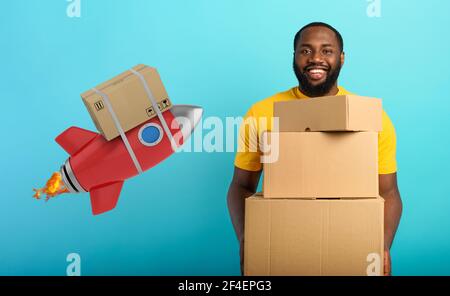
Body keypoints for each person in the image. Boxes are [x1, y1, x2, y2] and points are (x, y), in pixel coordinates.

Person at [227, 22, 402, 276]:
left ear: (341, 58)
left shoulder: (371, 117)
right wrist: (247, 237)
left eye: (327, 51)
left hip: (349, 245)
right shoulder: (261, 113)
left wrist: (381, 246)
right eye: (306, 51)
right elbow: (241, 186)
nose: (316, 58)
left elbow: (389, 192)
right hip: (282, 247)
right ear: (294, 57)